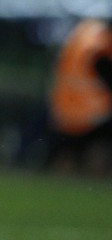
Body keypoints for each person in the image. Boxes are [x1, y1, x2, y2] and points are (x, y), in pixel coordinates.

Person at [47, 18, 112, 176]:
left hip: (64, 108)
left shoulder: (79, 37)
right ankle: (95, 180)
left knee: (69, 150)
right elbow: (106, 75)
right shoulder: (100, 44)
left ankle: (59, 185)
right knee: (96, 148)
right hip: (92, 110)